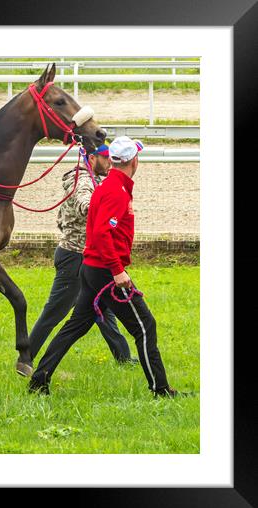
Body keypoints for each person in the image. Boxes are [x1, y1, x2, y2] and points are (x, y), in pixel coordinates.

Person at [28, 136, 183, 397]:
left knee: (76, 326)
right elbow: (101, 233)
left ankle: (39, 379)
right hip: (105, 271)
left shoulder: (108, 185)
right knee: (145, 326)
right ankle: (161, 389)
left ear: (112, 160)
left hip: (91, 268)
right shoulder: (115, 192)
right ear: (134, 161)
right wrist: (117, 270)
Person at [26, 143, 137, 369]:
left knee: (104, 309)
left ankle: (123, 357)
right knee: (56, 310)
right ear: (91, 158)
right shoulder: (82, 180)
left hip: (87, 257)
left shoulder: (95, 179)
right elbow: (84, 204)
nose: (109, 163)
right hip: (73, 256)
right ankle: (25, 357)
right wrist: (106, 207)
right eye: (105, 158)